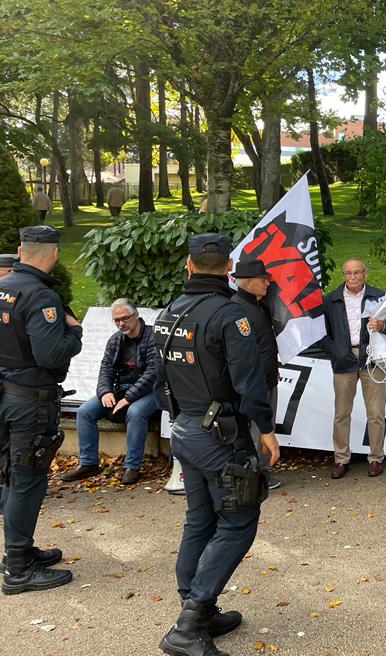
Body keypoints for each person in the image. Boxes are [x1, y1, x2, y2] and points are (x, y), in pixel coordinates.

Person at [155, 233, 279, 656]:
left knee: (200, 518)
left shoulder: (169, 313)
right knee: (239, 522)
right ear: (228, 268)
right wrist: (265, 428)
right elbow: (249, 381)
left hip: (185, 431)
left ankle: (196, 606)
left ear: (189, 266)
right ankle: (188, 624)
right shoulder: (230, 316)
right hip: (220, 436)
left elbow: (160, 383)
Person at [0, 226, 82, 594]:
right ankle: (17, 567)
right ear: (54, 254)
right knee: (27, 479)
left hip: (5, 394)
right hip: (29, 400)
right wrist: (75, 334)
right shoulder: (41, 296)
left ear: (20, 250)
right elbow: (51, 354)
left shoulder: (4, 287)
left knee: (12, 474)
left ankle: (22, 550)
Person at [62, 299, 159, 485]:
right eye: (117, 320)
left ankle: (132, 466)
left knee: (136, 412)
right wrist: (105, 391)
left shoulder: (153, 337)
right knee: (84, 412)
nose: (121, 323)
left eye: (125, 318)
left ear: (136, 316)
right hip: (120, 389)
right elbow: (105, 369)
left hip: (151, 391)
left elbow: (153, 373)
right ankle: (88, 463)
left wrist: (129, 398)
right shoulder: (115, 340)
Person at [320, 257, 386, 479]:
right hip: (344, 359)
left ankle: (376, 458)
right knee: (342, 413)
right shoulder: (331, 300)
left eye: (357, 272)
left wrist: (383, 325)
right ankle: (341, 458)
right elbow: (321, 333)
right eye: (348, 273)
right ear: (343, 275)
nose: (353, 277)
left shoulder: (379, 295)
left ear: (365, 273)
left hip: (372, 358)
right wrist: (335, 349)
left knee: (376, 413)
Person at [232, 259, 282, 490]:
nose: (267, 284)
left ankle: (262, 470)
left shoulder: (259, 305)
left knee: (264, 427)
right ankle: (253, 475)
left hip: (267, 378)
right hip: (254, 383)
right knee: (255, 429)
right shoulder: (238, 309)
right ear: (248, 282)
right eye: (263, 280)